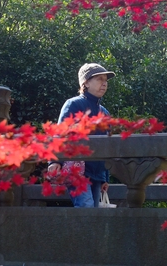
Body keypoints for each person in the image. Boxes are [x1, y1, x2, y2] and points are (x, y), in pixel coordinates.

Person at [48, 63, 116, 208]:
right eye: (99, 79)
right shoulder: (74, 104)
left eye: (106, 80)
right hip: (77, 171)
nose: (104, 84)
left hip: (97, 173)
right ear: (85, 82)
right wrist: (55, 162)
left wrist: (105, 177)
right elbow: (60, 134)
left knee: (93, 214)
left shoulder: (105, 113)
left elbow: (107, 148)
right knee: (86, 209)